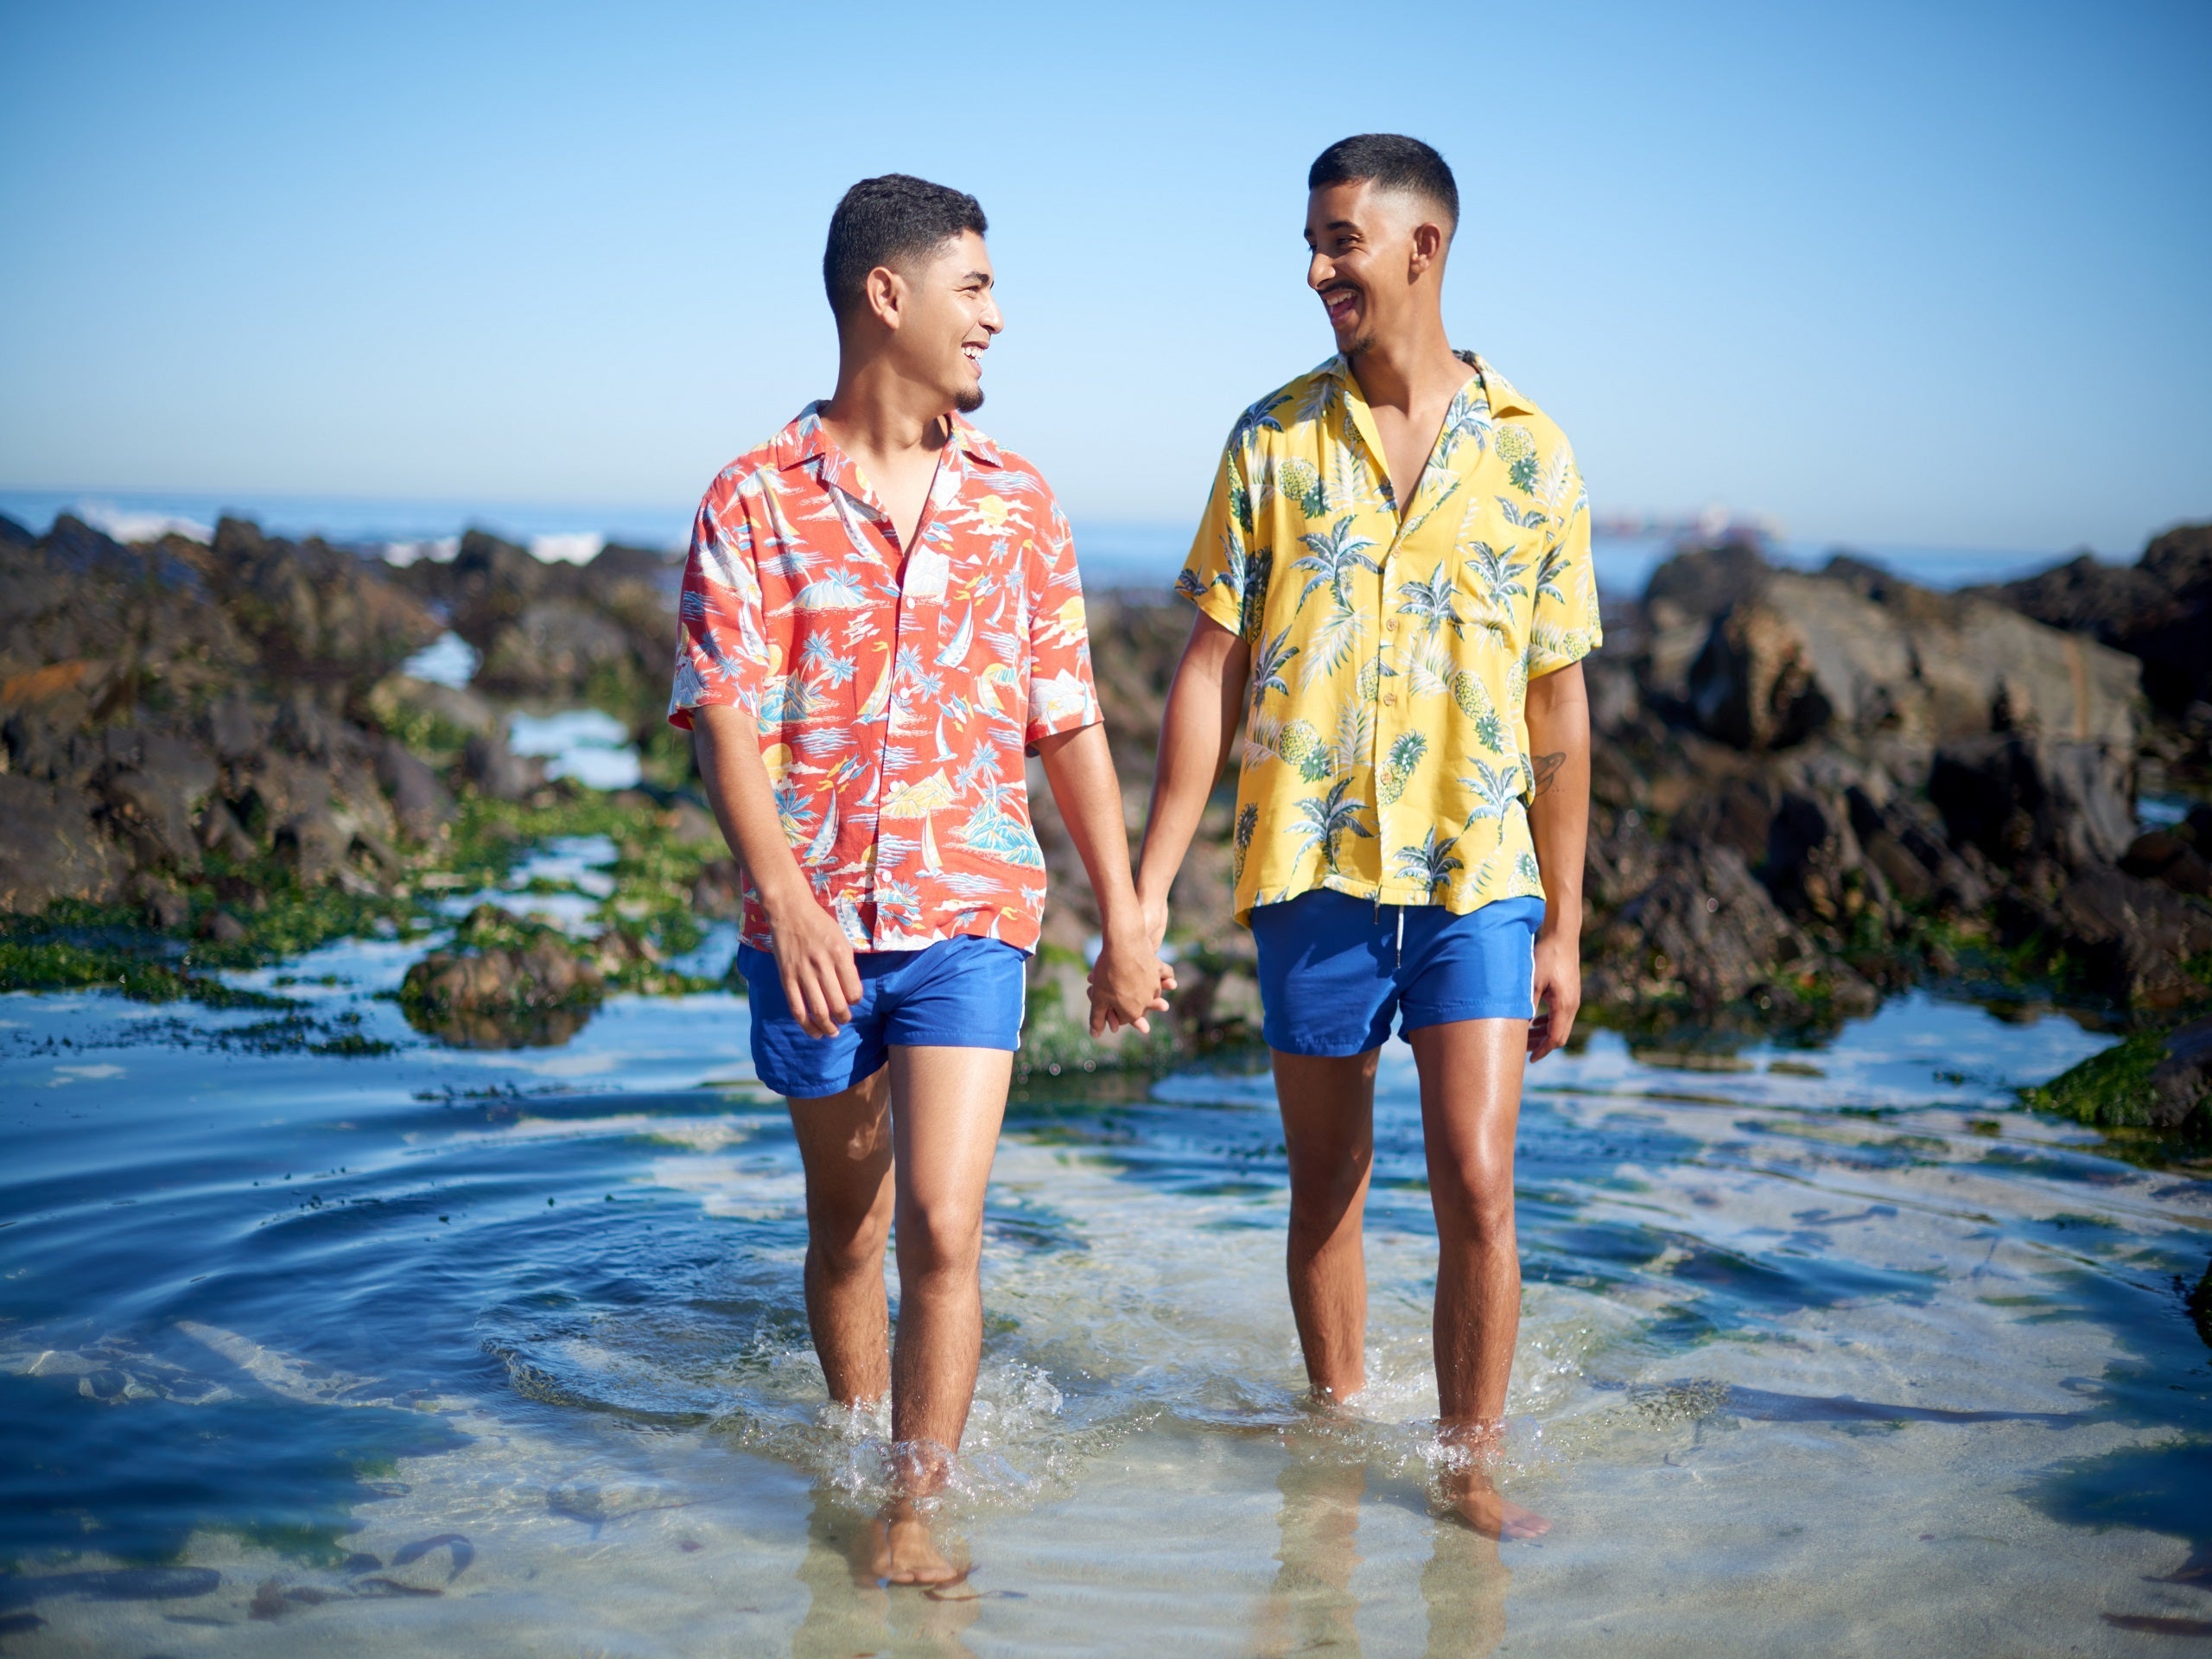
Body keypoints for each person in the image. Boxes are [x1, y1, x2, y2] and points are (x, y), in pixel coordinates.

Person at [671, 174, 1166, 1584]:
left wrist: (1124, 909)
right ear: (886, 297)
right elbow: (724, 719)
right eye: (977, 290)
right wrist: (790, 896)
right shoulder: (752, 499)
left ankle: (915, 1508)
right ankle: (854, 1434)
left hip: (970, 912)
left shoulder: (1020, 505)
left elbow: (1065, 722)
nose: (997, 320)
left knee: (946, 1221)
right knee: (853, 1226)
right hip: (811, 925)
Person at [1128, 134, 1599, 1540]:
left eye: (1341, 240)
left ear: (1421, 247)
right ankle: (1339, 1432)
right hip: (1313, 873)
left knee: (1477, 1177)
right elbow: (1207, 672)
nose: (1319, 267)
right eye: (1315, 242)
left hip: (1477, 876)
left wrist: (1567, 919)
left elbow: (1560, 705)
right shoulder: (1269, 439)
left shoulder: (1534, 453)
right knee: (1328, 1182)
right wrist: (1152, 881)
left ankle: (1467, 1468)